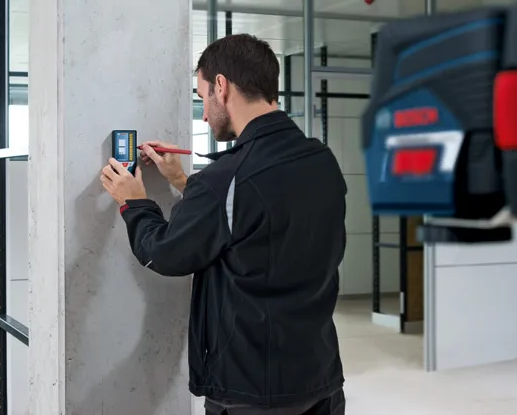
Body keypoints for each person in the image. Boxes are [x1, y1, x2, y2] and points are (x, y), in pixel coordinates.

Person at [100, 34, 347, 414]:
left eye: (202, 98)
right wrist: (185, 183)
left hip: (251, 391)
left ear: (221, 86)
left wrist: (134, 203)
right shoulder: (320, 160)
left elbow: (165, 253)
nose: (203, 114)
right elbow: (260, 220)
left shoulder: (225, 180)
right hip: (321, 380)